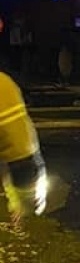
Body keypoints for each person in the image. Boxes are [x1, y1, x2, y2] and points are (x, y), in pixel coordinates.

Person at [0, 70, 47, 227]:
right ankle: (30, 211)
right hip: (33, 151)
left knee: (20, 212)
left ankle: (20, 215)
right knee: (32, 207)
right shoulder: (5, 80)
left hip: (14, 161)